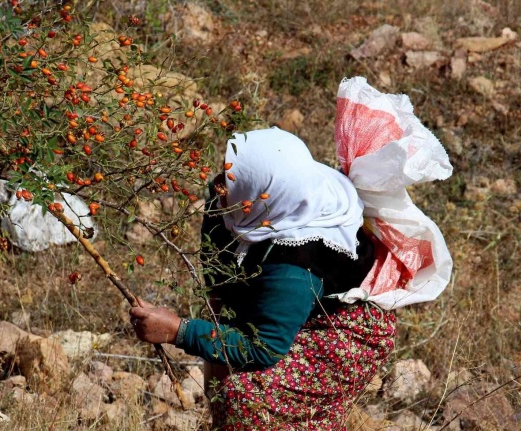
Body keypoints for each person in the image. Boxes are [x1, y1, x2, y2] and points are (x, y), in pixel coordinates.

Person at [129, 78, 453, 430]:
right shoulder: (248, 199)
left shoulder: (294, 263)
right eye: (226, 174)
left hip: (341, 332)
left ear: (265, 196)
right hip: (294, 302)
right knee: (221, 379)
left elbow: (264, 349)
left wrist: (180, 331)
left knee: (244, 398)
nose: (218, 185)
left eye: (231, 182)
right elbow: (219, 270)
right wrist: (218, 328)